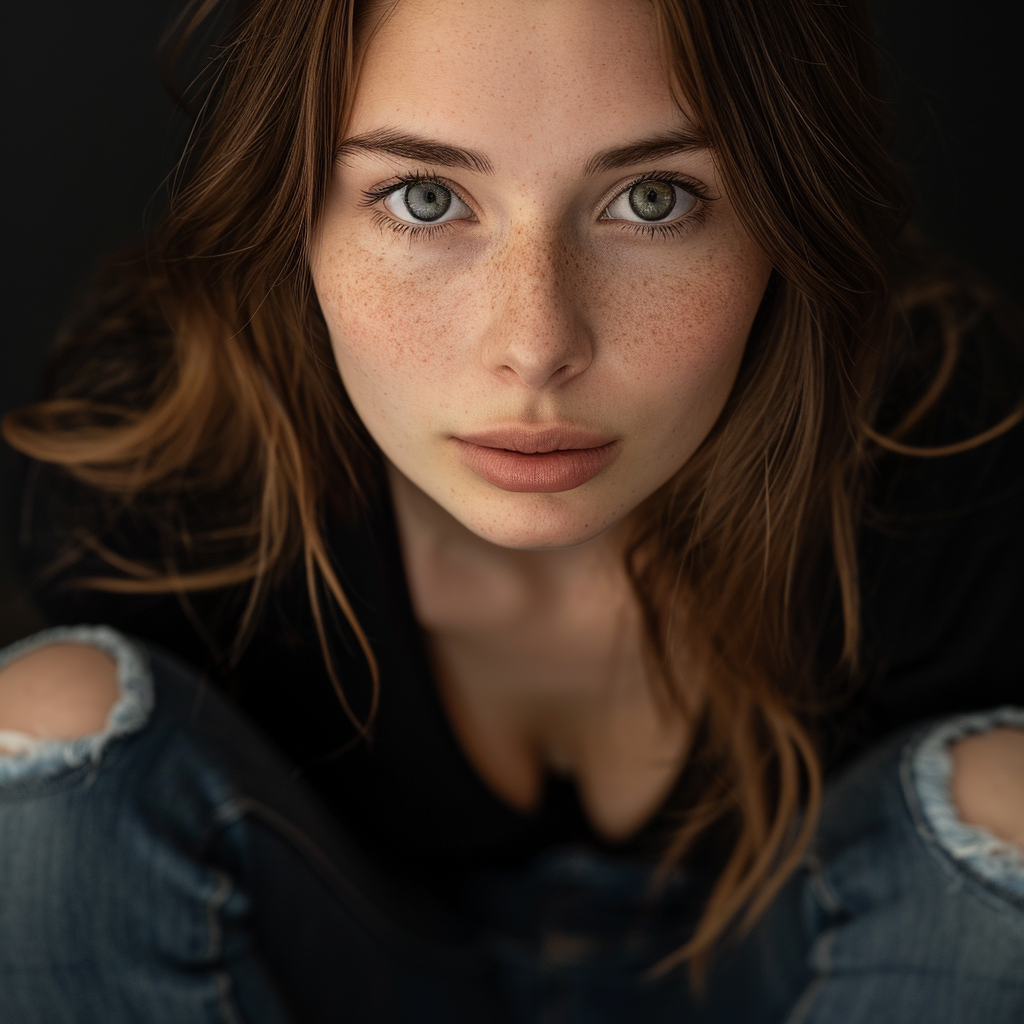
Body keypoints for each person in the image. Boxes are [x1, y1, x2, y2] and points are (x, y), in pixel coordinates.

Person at [1, 0, 1022, 1020]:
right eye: (425, 198)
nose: (535, 344)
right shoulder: (166, 474)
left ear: (786, 218)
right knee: (45, 730)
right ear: (294, 208)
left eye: (655, 199)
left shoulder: (946, 462)